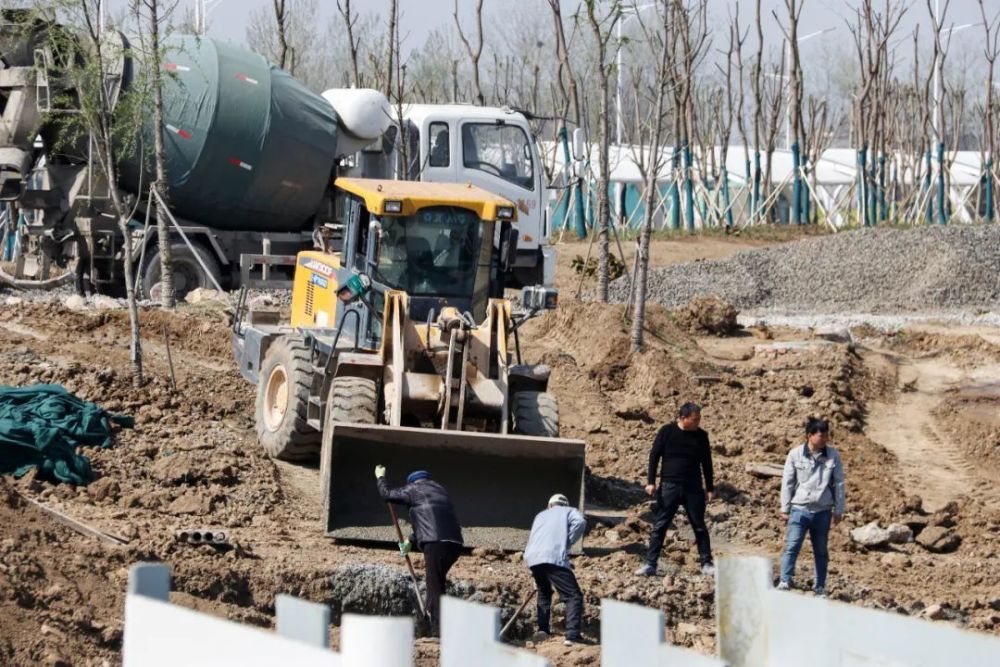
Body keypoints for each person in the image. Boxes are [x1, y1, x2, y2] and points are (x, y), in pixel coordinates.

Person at [376, 466, 463, 634]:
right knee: (437, 585)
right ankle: (436, 621)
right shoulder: (441, 492)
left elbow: (387, 495)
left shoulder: (413, 488)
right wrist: (410, 541)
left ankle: (438, 632)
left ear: (412, 482)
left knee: (435, 588)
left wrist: (381, 478)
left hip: (435, 544)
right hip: (455, 544)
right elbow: (431, 521)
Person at [635, 402, 715, 577]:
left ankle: (707, 563)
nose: (697, 423)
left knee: (699, 526)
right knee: (660, 525)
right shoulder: (667, 431)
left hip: (693, 487)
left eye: (699, 419)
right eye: (694, 420)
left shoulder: (701, 436)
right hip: (669, 486)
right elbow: (654, 456)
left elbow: (707, 463)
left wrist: (709, 487)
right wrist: (651, 481)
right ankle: (650, 564)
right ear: (683, 418)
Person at [778, 417, 846, 597]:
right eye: (820, 435)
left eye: (826, 435)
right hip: (800, 509)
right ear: (810, 435)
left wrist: (839, 509)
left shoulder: (833, 456)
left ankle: (820, 586)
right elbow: (788, 483)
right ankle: (785, 580)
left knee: (821, 550)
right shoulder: (795, 454)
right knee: (792, 546)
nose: (824, 439)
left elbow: (839, 483)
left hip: (822, 511)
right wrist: (784, 508)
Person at [523, 493, 587, 647]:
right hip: (553, 557)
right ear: (564, 504)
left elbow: (536, 536)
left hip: (533, 559)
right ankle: (572, 635)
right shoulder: (569, 510)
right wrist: (568, 542)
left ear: (549, 505)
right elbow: (580, 522)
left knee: (544, 592)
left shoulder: (540, 515)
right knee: (574, 596)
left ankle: (543, 630)